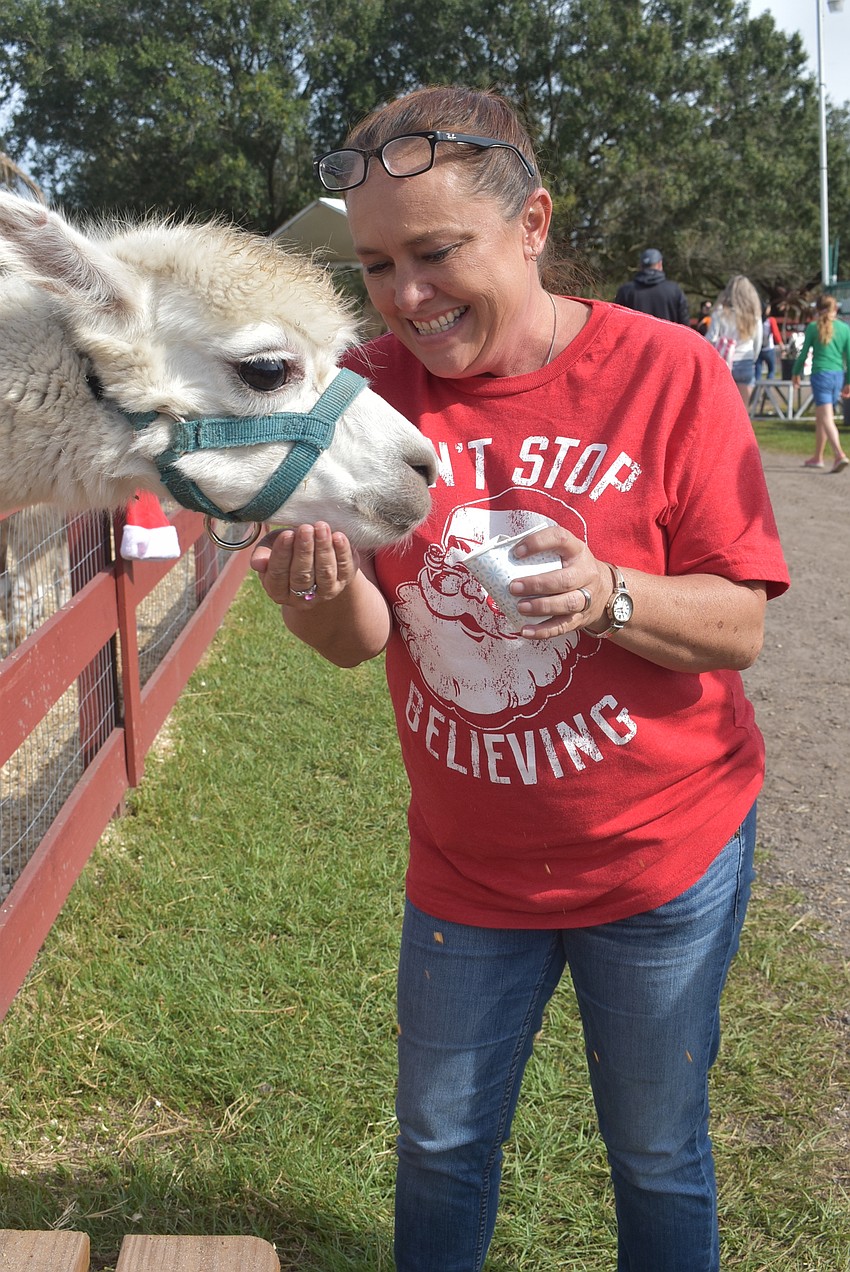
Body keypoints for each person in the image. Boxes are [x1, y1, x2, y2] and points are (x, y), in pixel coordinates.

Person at [252, 86, 789, 1272]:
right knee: (439, 1143)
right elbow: (357, 640)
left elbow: (738, 624)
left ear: (533, 222)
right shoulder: (363, 390)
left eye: (436, 252)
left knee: (655, 1150)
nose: (404, 296)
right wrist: (312, 587)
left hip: (661, 855)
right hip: (468, 870)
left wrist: (611, 595)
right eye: (379, 263)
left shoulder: (668, 371)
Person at [792, 293, 850, 473]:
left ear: (817, 309)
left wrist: (795, 373)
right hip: (837, 375)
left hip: (821, 374)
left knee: (826, 417)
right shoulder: (845, 328)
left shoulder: (812, 327)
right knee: (821, 417)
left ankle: (839, 454)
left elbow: (803, 354)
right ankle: (818, 457)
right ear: (835, 309)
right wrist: (848, 381)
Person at [706, 275, 763, 411]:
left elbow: (711, 339)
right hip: (746, 360)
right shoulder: (754, 316)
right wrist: (752, 358)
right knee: (743, 414)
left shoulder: (719, 313)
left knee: (723, 412)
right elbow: (758, 342)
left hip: (724, 362)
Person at [614, 247, 690, 324]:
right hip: (667, 335)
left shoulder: (626, 291)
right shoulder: (674, 290)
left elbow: (617, 322)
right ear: (660, 264)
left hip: (637, 336)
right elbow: (685, 323)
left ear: (640, 266)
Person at [754, 301, 783, 382]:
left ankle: (756, 393)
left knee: (758, 373)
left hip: (758, 349)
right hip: (769, 349)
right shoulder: (770, 320)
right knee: (771, 370)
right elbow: (776, 334)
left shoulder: (757, 320)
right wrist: (781, 345)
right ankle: (768, 392)